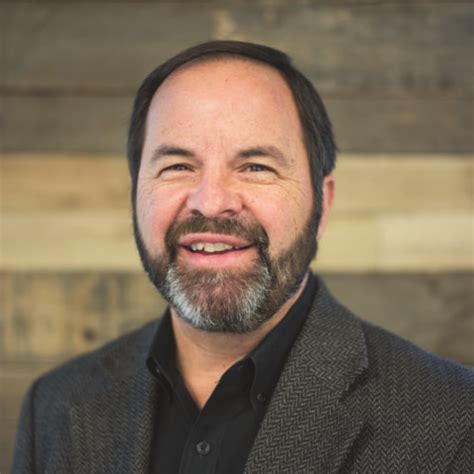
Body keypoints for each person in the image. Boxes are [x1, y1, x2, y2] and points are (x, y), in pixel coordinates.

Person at [13, 41, 473, 473]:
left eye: (256, 166)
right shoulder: (54, 406)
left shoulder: (453, 419)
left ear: (322, 205)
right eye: (177, 166)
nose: (211, 203)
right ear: (136, 195)